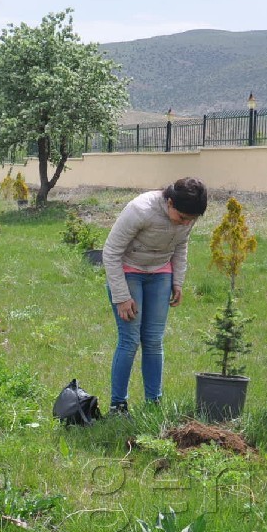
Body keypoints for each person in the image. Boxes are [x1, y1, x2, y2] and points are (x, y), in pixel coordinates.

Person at [102, 177, 208, 414]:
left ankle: (153, 403)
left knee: (153, 340)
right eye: (182, 217)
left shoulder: (187, 217)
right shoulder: (140, 210)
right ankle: (118, 405)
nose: (185, 223)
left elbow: (181, 246)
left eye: (190, 220)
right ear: (169, 202)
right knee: (129, 341)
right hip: (129, 272)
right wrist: (121, 296)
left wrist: (177, 281)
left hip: (160, 275)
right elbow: (110, 252)